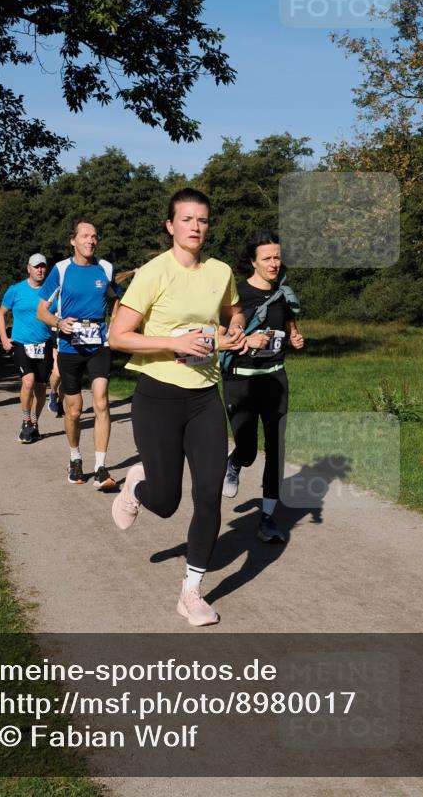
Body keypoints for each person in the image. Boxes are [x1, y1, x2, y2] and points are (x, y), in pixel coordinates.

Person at [108, 188, 246, 627]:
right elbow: (118, 335)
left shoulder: (221, 271)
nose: (195, 227)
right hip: (158, 396)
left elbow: (233, 311)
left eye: (202, 220)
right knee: (165, 502)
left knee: (208, 495)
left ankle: (191, 593)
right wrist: (174, 342)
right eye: (186, 219)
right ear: (171, 225)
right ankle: (136, 486)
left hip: (205, 396)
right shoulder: (153, 272)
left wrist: (235, 331)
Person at [220, 229, 305, 542]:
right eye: (267, 258)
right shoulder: (236, 296)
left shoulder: (284, 293)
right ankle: (235, 462)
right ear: (252, 262)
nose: (274, 263)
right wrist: (245, 339)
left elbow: (289, 326)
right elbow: (225, 334)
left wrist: (295, 337)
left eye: (277, 257)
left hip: (274, 378)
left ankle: (267, 518)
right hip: (240, 380)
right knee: (247, 447)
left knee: (276, 447)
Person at [36, 219, 122, 488]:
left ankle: (100, 467)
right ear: (73, 240)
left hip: (99, 344)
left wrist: (115, 321)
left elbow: (118, 297)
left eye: (94, 236)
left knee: (101, 402)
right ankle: (75, 458)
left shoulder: (105, 268)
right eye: (85, 236)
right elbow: (41, 311)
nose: (90, 241)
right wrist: (58, 323)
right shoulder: (61, 270)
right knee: (74, 411)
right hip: (69, 346)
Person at [0, 254, 53, 444]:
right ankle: (26, 420)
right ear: (28, 268)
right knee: (28, 381)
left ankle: (35, 422)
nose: (40, 270)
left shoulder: (51, 291)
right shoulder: (16, 290)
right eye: (36, 267)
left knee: (40, 387)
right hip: (21, 343)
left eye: (43, 267)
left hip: (44, 343)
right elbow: (1, 313)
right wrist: (4, 338)